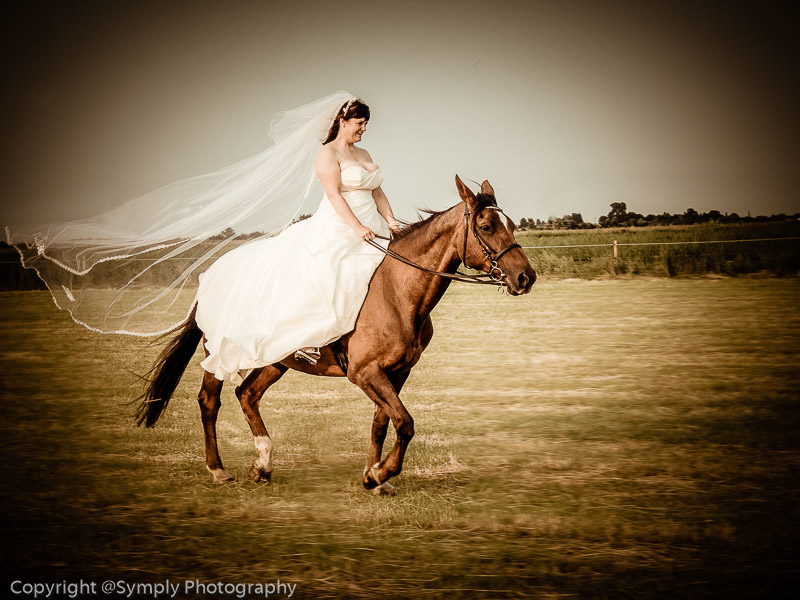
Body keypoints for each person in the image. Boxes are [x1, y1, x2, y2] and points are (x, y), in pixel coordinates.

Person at [193, 97, 401, 383]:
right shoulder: (327, 155)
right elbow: (334, 195)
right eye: (359, 123)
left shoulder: (364, 153)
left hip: (373, 224)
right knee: (329, 274)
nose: (364, 129)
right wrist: (356, 226)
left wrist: (391, 221)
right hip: (340, 224)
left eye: (366, 124)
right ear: (343, 121)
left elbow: (377, 192)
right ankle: (309, 341)